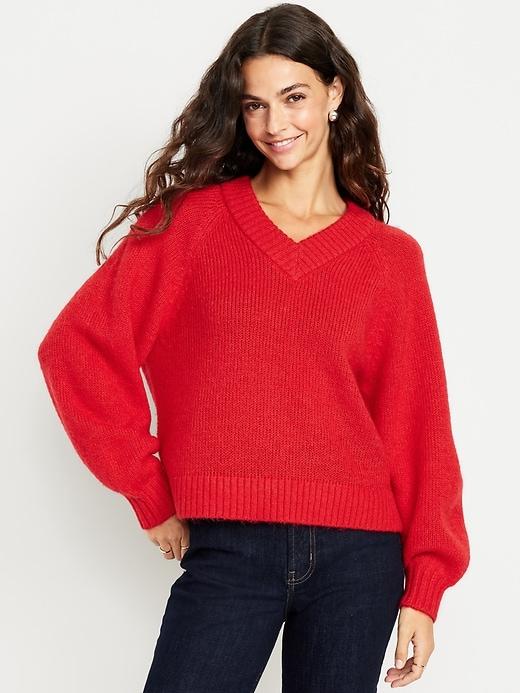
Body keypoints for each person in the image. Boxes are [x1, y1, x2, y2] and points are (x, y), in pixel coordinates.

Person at [37, 3, 470, 691]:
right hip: (230, 548)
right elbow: (76, 349)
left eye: (293, 97)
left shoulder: (390, 259)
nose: (274, 124)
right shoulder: (190, 227)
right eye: (254, 105)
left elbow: (419, 427)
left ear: (334, 93)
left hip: (362, 559)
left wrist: (426, 584)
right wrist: (148, 489)